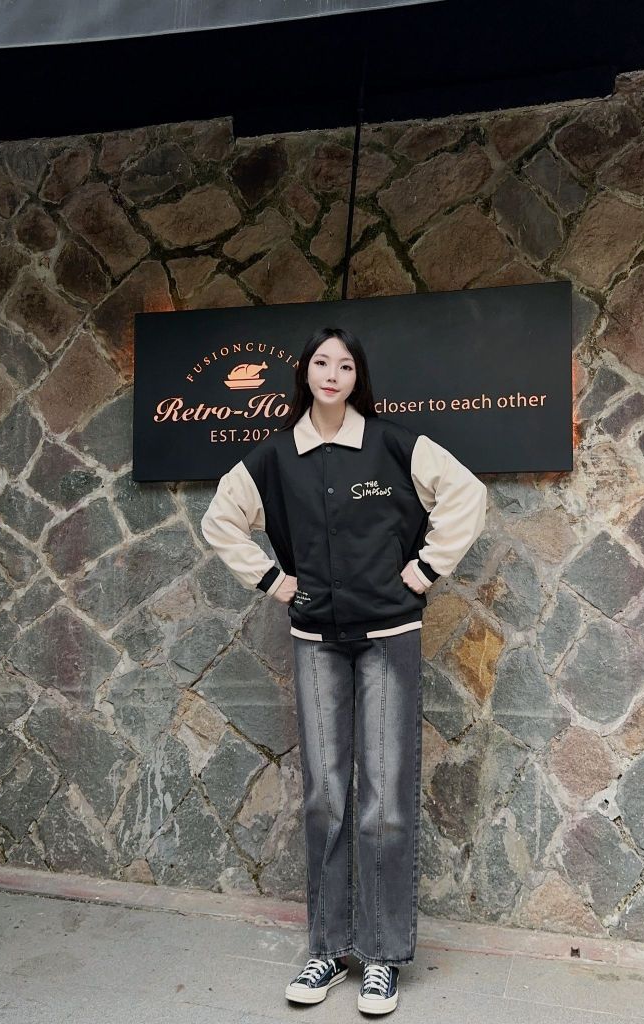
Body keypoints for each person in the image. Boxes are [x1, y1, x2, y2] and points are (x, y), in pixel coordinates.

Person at [200, 327, 487, 1015]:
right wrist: (273, 581)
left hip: (389, 636)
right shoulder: (275, 456)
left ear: (358, 378)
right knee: (325, 797)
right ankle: (328, 950)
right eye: (322, 363)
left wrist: (424, 569)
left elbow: (467, 493)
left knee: (385, 801)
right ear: (305, 372)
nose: (333, 374)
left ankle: (382, 957)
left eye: (346, 365)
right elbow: (220, 520)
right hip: (316, 640)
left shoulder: (392, 444)